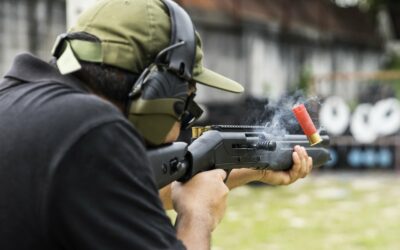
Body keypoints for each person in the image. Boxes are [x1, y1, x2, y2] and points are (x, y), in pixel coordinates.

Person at [0, 0, 313, 249]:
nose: (179, 127)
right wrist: (198, 216)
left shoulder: (20, 102)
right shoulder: (92, 131)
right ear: (156, 92)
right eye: (184, 106)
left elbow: (123, 190)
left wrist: (252, 170)